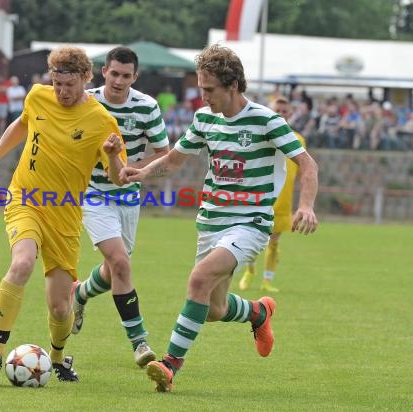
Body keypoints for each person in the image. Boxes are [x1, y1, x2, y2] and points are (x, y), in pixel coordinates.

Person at [121, 45, 318, 392]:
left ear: (233, 86)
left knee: (198, 279)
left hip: (250, 223)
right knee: (213, 308)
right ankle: (258, 313)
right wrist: (140, 172)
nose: (203, 96)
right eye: (201, 88)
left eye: (209, 90)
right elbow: (173, 161)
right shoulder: (204, 118)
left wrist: (307, 206)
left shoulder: (266, 120)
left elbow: (307, 163)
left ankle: (169, 366)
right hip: (211, 221)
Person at [0, 46, 127, 383]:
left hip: (66, 215)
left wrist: (114, 156)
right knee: (22, 262)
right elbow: (21, 125)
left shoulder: (102, 121)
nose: (62, 92)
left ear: (86, 78)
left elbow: (118, 176)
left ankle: (57, 358)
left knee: (59, 306)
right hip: (25, 199)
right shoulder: (38, 97)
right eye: (56, 84)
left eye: (69, 85)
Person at [71, 46, 170, 367]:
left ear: (135, 77)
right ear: (104, 72)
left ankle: (80, 293)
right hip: (93, 194)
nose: (118, 81)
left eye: (126, 76)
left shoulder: (147, 106)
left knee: (116, 268)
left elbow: (163, 152)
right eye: (114, 73)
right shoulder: (88, 101)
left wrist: (136, 165)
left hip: (128, 197)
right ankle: (139, 342)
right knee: (121, 264)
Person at [238, 96, 307, 293]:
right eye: (278, 111)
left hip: (283, 200)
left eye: (285, 112)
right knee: (252, 238)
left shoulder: (299, 139)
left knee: (274, 241)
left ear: (291, 114)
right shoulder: (261, 133)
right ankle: (249, 271)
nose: (282, 114)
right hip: (260, 197)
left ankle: (267, 280)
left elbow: (303, 169)